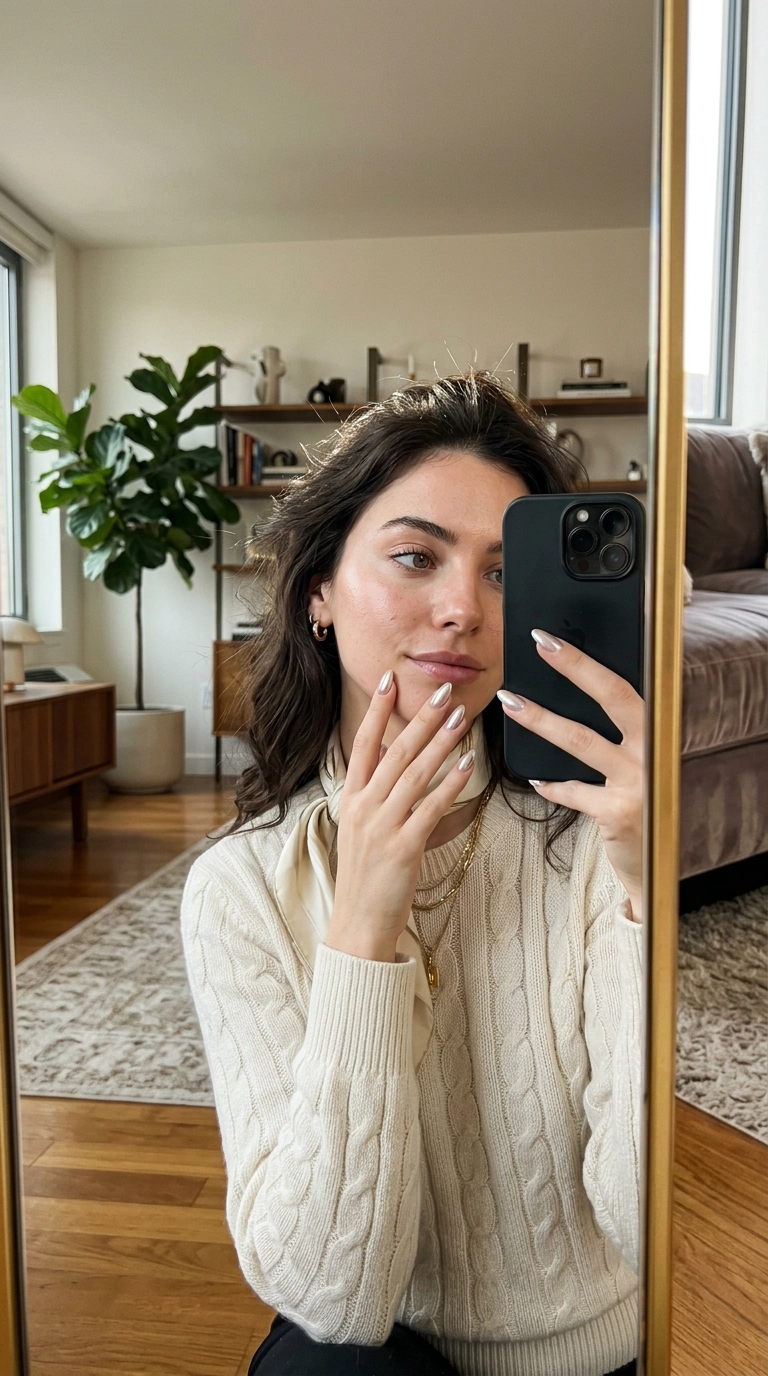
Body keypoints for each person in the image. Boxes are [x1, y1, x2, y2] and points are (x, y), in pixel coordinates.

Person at [181, 374, 643, 1376]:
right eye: (414, 556)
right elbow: (330, 1295)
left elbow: (650, 1223)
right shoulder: (242, 887)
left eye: (498, 571)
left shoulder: (593, 832)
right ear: (318, 592)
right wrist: (363, 929)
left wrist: (642, 891)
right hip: (386, 1348)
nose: (461, 610)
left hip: (606, 1349)